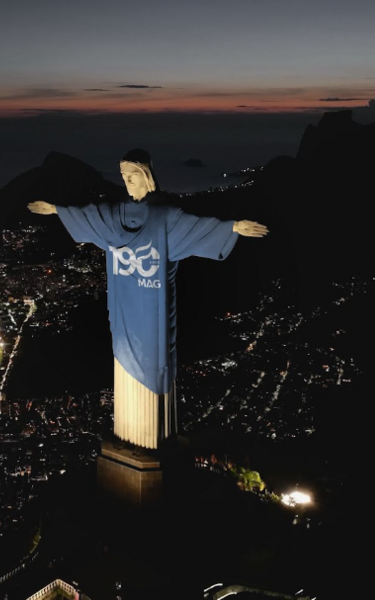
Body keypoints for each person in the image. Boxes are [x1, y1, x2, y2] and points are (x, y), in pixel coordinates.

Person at [28, 148, 268, 450]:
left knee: (156, 361)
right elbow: (90, 216)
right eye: (124, 177)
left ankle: (155, 441)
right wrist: (56, 210)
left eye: (134, 176)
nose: (128, 182)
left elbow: (196, 226)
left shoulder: (165, 216)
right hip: (123, 304)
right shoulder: (115, 216)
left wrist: (232, 227)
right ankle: (136, 440)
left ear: (147, 177)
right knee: (124, 356)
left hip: (153, 308)